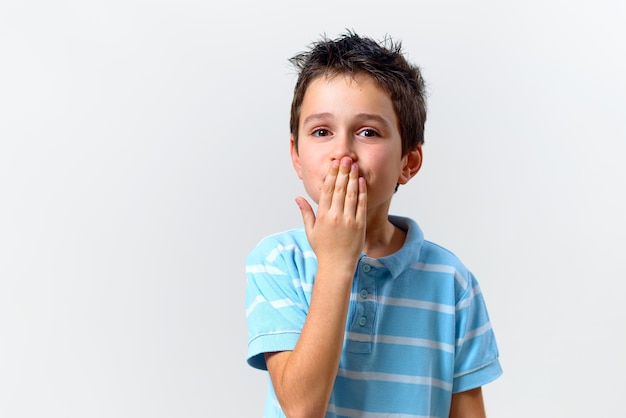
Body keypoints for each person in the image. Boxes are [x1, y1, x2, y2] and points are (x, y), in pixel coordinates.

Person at [245, 30, 502, 418]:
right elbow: (301, 407)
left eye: (368, 132)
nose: (342, 152)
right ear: (296, 155)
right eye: (321, 132)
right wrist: (335, 264)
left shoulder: (451, 281)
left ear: (409, 162)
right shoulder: (278, 262)